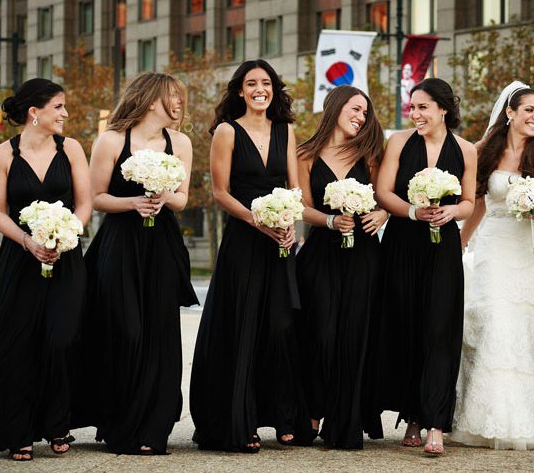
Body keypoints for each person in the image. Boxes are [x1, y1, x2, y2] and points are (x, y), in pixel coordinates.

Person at [0, 79, 91, 461]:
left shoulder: (73, 149)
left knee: (61, 338)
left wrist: (65, 234)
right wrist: (29, 242)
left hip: (66, 258)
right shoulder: (2, 154)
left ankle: (57, 422)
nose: (65, 114)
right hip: (19, 259)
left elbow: (84, 205)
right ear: (35, 112)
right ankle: (19, 431)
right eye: (59, 107)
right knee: (19, 343)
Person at [71, 72, 197, 455]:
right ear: (150, 98)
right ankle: (119, 422)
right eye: (172, 97)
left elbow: (183, 199)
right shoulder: (111, 140)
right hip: (121, 244)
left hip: (161, 245)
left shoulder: (181, 142)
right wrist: (132, 203)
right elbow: (95, 197)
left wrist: (163, 194)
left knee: (160, 333)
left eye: (180, 98)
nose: (178, 103)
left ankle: (152, 429)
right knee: (125, 328)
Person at [452, 82, 534, 450]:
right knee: (496, 325)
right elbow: (477, 202)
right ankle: (489, 418)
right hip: (495, 247)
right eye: (529, 110)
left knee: (529, 328)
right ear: (509, 113)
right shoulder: (482, 150)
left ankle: (529, 419)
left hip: (530, 251)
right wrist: (458, 243)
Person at [189, 60, 302, 453]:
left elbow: (294, 187)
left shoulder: (286, 130)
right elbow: (220, 192)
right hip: (244, 238)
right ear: (240, 91)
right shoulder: (226, 131)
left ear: (273, 90)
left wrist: (291, 225)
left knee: (281, 326)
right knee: (245, 326)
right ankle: (243, 420)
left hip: (280, 242)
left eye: (266, 83)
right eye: (251, 83)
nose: (259, 89)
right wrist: (259, 221)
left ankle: (284, 416)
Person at [372, 78, 477, 455]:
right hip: (402, 243)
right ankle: (412, 415)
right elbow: (383, 191)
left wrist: (452, 211)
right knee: (406, 327)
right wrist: (415, 212)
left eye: (422, 107)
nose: (415, 114)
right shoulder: (399, 142)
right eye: (412, 107)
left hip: (442, 247)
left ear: (443, 108)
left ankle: (435, 422)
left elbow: (468, 201)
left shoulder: (466, 149)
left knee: (439, 329)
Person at [294, 85, 388, 449]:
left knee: (354, 334)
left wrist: (380, 212)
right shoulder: (305, 154)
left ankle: (344, 419)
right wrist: (330, 221)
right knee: (321, 332)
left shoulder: (370, 155)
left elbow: (385, 197)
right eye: (355, 109)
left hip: (363, 253)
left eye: (365, 112)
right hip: (321, 252)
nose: (361, 117)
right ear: (335, 108)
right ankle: (313, 408)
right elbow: (302, 206)